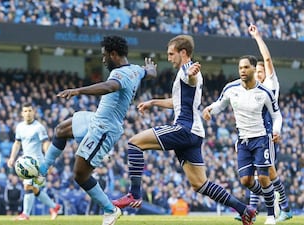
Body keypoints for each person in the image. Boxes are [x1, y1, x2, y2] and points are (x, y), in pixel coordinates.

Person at [111, 35, 257, 225]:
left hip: (184, 129)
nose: (169, 58)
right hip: (195, 133)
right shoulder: (184, 73)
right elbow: (177, 102)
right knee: (200, 184)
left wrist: (192, 72)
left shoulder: (188, 70)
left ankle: (134, 195)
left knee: (134, 143)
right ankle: (245, 210)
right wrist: (153, 102)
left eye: (171, 54)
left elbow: (192, 76)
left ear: (183, 53)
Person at [39, 35, 157, 225]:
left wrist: (78, 91)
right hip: (96, 118)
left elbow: (109, 86)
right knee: (61, 129)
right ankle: (41, 171)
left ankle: (111, 210)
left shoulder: (121, 75)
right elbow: (149, 72)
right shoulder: (135, 70)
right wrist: (150, 70)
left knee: (79, 175)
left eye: (104, 56)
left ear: (113, 54)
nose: (103, 60)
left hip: (104, 129)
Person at [203, 54, 283, 225]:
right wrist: (210, 109)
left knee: (263, 178)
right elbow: (220, 104)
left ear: (254, 69)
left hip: (262, 138)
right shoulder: (231, 88)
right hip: (243, 141)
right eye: (240, 68)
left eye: (246, 67)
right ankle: (270, 196)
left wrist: (276, 130)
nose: (242, 71)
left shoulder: (265, 92)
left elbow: (277, 116)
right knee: (246, 180)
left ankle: (270, 216)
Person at [233, 24, 293, 222]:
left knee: (266, 174)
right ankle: (274, 207)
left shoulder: (270, 84)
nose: (258, 73)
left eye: (260, 71)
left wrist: (257, 36)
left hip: (267, 134)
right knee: (261, 175)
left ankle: (279, 207)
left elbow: (266, 59)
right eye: (256, 71)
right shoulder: (251, 88)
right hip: (256, 134)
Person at [7, 103, 61, 220]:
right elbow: (17, 143)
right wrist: (12, 157)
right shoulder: (20, 127)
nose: (28, 113)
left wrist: (48, 161)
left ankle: (25, 214)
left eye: (30, 110)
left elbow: (45, 143)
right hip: (26, 162)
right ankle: (54, 206)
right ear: (22, 113)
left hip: (37, 163)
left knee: (28, 187)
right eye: (25, 111)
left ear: (34, 112)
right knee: (35, 189)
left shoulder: (39, 127)